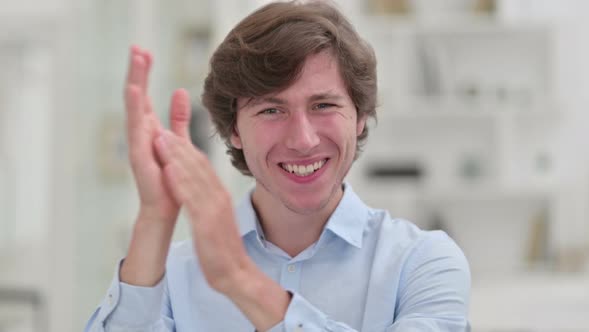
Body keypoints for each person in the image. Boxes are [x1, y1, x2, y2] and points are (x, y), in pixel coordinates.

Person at [85, 1, 470, 331]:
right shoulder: (169, 275)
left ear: (359, 116)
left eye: (323, 105)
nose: (302, 140)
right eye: (272, 109)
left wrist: (241, 281)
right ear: (234, 129)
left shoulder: (422, 262)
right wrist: (154, 219)